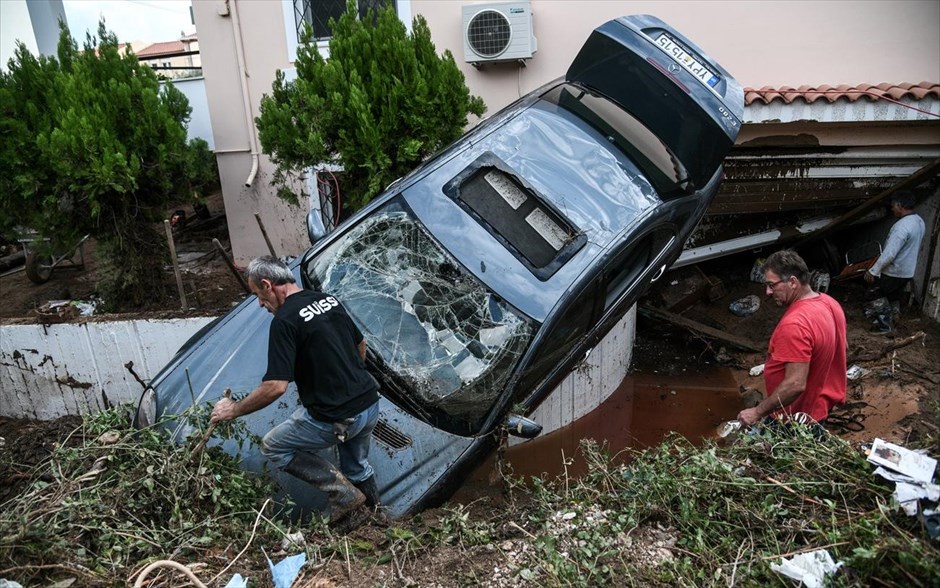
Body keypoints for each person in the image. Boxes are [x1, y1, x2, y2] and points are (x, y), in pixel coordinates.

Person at [210, 256, 381, 530]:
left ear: (267, 285)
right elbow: (360, 345)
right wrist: (345, 378)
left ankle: (343, 494)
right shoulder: (327, 299)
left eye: (258, 295)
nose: (260, 304)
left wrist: (234, 409)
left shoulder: (285, 320)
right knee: (357, 468)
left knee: (273, 445)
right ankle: (376, 522)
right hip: (369, 405)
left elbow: (275, 386)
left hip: (337, 418)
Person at [737, 250, 846, 429]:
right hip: (818, 410)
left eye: (772, 285)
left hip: (793, 420)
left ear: (793, 282)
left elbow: (795, 384)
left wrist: (756, 412)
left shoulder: (795, 325)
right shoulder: (829, 303)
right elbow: (839, 348)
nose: (768, 292)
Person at [864, 191, 925, 326]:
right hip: (907, 271)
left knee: (874, 294)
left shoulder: (902, 227)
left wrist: (874, 270)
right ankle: (895, 317)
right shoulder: (919, 221)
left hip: (894, 271)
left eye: (893, 206)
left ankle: (884, 325)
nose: (892, 209)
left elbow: (890, 253)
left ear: (899, 205)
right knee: (893, 295)